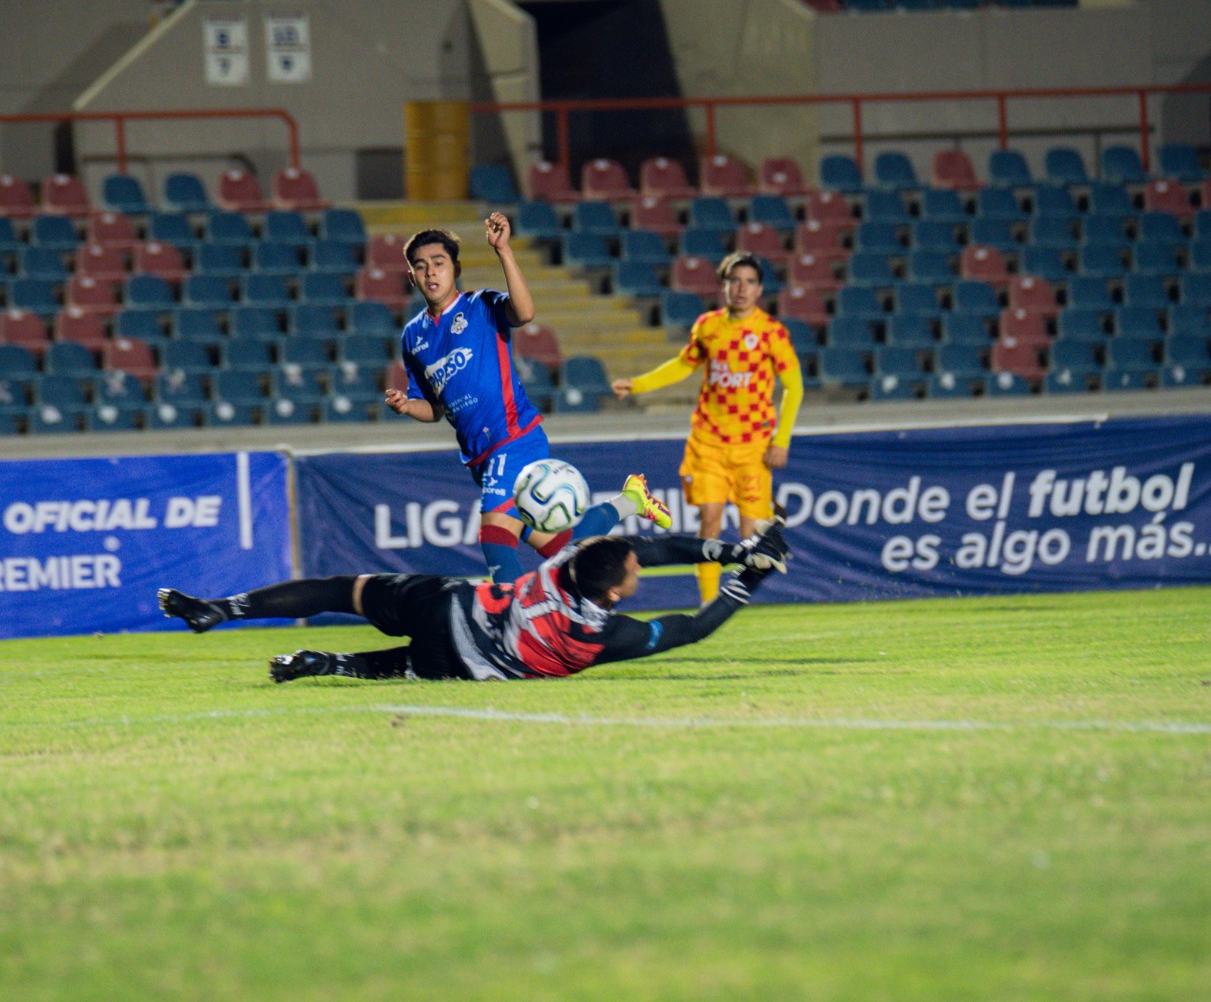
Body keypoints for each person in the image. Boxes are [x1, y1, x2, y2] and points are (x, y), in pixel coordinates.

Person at [386, 212, 670, 582]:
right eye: (420, 267)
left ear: (455, 268)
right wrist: (408, 406)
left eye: (438, 264)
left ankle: (511, 624)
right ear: (411, 276)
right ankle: (632, 499)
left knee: (494, 538)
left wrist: (503, 251)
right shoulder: (413, 337)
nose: (430, 273)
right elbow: (435, 410)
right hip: (480, 459)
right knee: (563, 548)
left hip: (514, 438)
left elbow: (524, 312)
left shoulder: (480, 306)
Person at [157, 520, 789, 683]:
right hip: (462, 663)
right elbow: (693, 628)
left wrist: (735, 550)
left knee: (339, 590)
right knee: (405, 666)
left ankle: (222, 608)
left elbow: (649, 549)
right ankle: (331, 664)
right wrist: (747, 573)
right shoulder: (604, 635)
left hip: (448, 605)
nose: (638, 564)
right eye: (632, 569)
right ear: (617, 591)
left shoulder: (567, 563)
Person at [611, 251, 803, 604]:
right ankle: (708, 603)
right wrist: (637, 385)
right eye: (734, 281)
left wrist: (783, 439)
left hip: (753, 446)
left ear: (759, 290)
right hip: (709, 441)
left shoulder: (771, 333)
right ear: (725, 286)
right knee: (710, 520)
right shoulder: (709, 326)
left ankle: (737, 603)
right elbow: (682, 367)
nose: (741, 288)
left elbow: (795, 385)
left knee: (752, 534)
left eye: (749, 282)